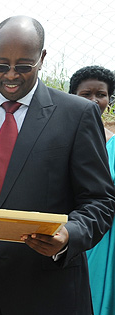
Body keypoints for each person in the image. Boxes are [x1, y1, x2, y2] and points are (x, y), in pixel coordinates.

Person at [0, 16, 115, 315]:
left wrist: (69, 234)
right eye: (0, 65)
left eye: (23, 67)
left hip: (51, 291)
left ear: (42, 58)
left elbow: (99, 201)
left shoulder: (77, 115)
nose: (11, 76)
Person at [69, 65, 115, 315]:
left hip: (108, 236)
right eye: (86, 94)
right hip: (72, 230)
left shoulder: (114, 144)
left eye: (101, 94)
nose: (94, 101)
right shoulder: (62, 138)